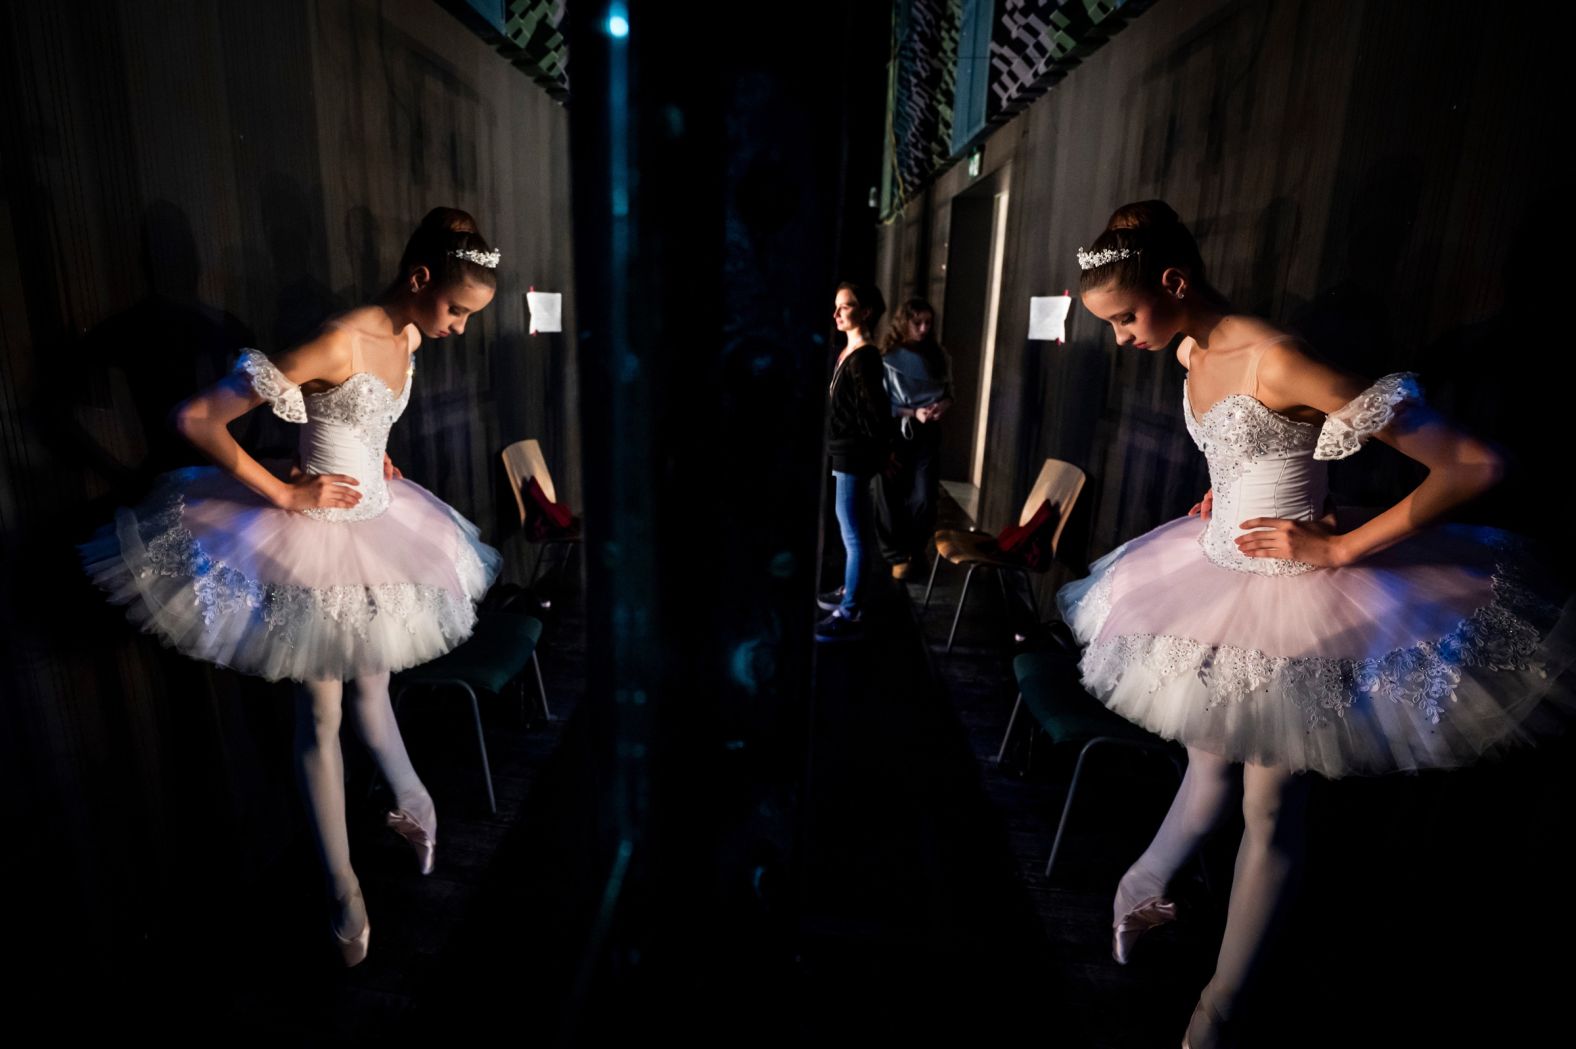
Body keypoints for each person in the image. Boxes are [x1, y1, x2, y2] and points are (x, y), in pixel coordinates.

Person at [1055, 200, 1575, 1048]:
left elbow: (1473, 464)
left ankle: (1217, 1011)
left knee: (1268, 803)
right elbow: (1255, 448)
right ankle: (1140, 886)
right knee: (1209, 760)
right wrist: (1226, 491)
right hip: (1219, 573)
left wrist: (1341, 548)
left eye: (1124, 318)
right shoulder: (1187, 347)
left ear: (1175, 282)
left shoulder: (1278, 357)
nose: (1120, 338)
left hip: (1297, 595)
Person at [79, 206, 504, 967]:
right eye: (457, 311)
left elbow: (359, 418)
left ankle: (414, 802)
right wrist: (282, 493)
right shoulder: (339, 338)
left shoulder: (410, 334)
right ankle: (343, 889)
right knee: (324, 709)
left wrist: (375, 456)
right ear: (419, 279)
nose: (459, 328)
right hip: (311, 539)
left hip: (375, 523)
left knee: (372, 684)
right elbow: (197, 418)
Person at [817, 281, 891, 642]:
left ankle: (850, 610)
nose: (836, 313)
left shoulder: (866, 357)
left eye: (844, 306)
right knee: (850, 529)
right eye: (836, 306)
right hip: (844, 453)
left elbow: (874, 414)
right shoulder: (847, 351)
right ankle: (850, 591)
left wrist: (879, 454)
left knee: (854, 535)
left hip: (853, 457)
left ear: (865, 311)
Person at [873, 297, 953, 579]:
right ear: (903, 323)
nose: (923, 329)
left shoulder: (938, 356)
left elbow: (949, 393)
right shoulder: (887, 357)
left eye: (928, 323)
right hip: (896, 430)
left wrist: (942, 406)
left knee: (925, 496)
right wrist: (913, 412)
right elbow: (881, 403)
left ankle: (916, 550)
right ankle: (896, 555)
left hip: (928, 432)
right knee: (889, 495)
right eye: (917, 322)